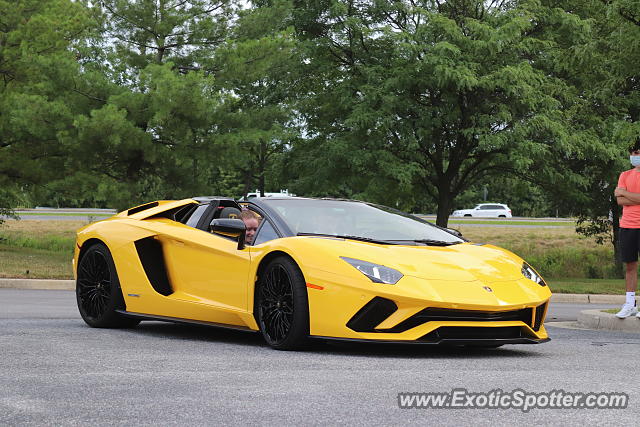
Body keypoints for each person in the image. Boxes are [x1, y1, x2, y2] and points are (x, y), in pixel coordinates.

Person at [614, 141, 640, 318]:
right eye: (633, 153)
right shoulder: (624, 174)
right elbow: (619, 200)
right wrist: (635, 198)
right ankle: (630, 304)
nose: (635, 156)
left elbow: (623, 195)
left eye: (637, 152)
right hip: (628, 226)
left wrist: (624, 194)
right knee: (630, 266)